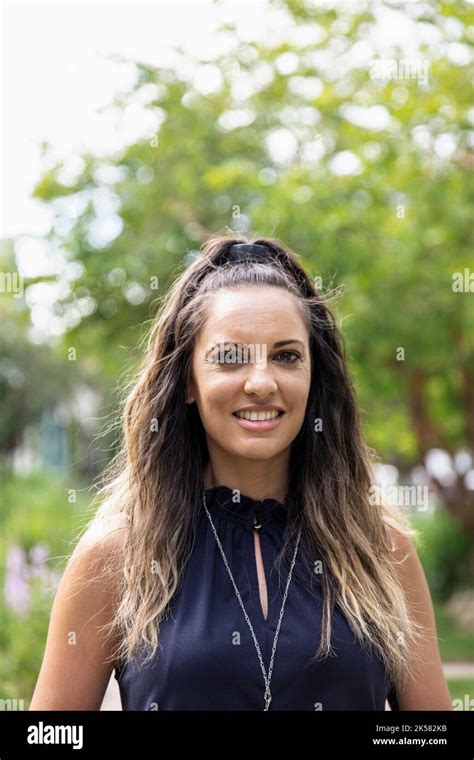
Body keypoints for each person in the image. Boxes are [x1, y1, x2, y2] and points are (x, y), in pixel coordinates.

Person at [30, 235, 452, 711]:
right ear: (187, 381)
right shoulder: (117, 552)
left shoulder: (380, 548)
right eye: (230, 357)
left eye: (286, 356)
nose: (262, 382)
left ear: (313, 376)